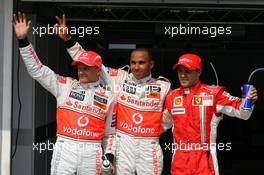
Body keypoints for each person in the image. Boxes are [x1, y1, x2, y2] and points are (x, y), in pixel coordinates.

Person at [54, 15, 172, 175]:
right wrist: (68, 40)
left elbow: (174, 113)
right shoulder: (119, 78)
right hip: (123, 144)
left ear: (151, 64)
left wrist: (156, 127)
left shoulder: (163, 86)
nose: (136, 67)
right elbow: (90, 62)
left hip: (148, 145)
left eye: (141, 63)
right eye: (133, 63)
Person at [13, 12, 116, 175]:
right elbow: (37, 70)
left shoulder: (109, 96)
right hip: (65, 148)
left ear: (98, 70)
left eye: (86, 68)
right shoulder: (65, 85)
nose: (81, 71)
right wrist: (23, 40)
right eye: (79, 67)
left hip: (92, 152)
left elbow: (110, 134)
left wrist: (109, 157)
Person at [164, 53, 258, 175]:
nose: (182, 75)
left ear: (198, 72)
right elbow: (160, 125)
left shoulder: (214, 93)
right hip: (179, 162)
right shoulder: (171, 97)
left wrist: (249, 100)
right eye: (180, 71)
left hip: (205, 161)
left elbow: (243, 113)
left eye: (187, 71)